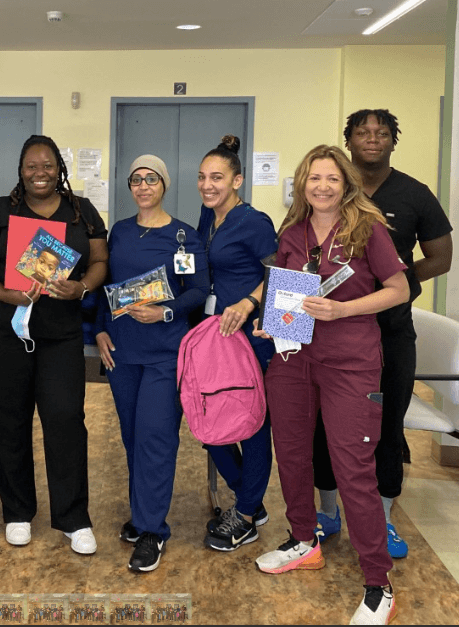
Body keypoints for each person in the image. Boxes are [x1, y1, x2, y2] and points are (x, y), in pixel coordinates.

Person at [254, 145, 409, 625]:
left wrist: (343, 309)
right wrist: (269, 320)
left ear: (346, 184)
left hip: (350, 360)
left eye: (332, 179)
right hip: (293, 355)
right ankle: (304, 540)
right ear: (302, 184)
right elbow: (283, 287)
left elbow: (398, 290)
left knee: (352, 467)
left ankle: (377, 583)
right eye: (313, 178)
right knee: (295, 453)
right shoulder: (293, 232)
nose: (322, 186)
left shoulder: (368, 229)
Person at [312, 110, 453, 559]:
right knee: (324, 426)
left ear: (394, 140)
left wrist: (397, 283)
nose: (372, 139)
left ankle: (383, 517)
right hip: (329, 333)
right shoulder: (329, 191)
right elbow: (299, 260)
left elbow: (441, 257)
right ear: (348, 139)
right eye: (362, 132)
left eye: (382, 133)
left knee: (387, 426)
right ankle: (328, 512)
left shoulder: (414, 194)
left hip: (390, 331)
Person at [0, 134, 108, 554]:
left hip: (59, 334)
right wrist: (6, 295)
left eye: (47, 166)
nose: (39, 173)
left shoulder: (81, 211)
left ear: (59, 169)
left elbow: (99, 261)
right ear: (20, 170)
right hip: (1, 331)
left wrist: (81, 287)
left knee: (64, 418)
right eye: (31, 166)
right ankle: (18, 511)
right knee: (10, 422)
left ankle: (73, 518)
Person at [95, 155, 209, 572]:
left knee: (156, 437)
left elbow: (198, 291)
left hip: (165, 353)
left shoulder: (184, 236)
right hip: (123, 352)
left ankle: (152, 530)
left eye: (151, 179)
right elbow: (105, 285)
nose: (143, 186)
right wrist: (100, 330)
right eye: (136, 179)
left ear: (164, 184)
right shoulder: (119, 232)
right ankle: (143, 512)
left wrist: (166, 312)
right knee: (132, 436)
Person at [194, 136, 277, 551]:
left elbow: (279, 275)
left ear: (238, 180)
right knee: (209, 417)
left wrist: (248, 302)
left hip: (250, 336)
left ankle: (245, 515)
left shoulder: (255, 222)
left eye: (218, 178)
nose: (208, 185)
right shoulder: (210, 219)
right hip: (217, 336)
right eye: (203, 177)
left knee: (253, 423)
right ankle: (251, 498)